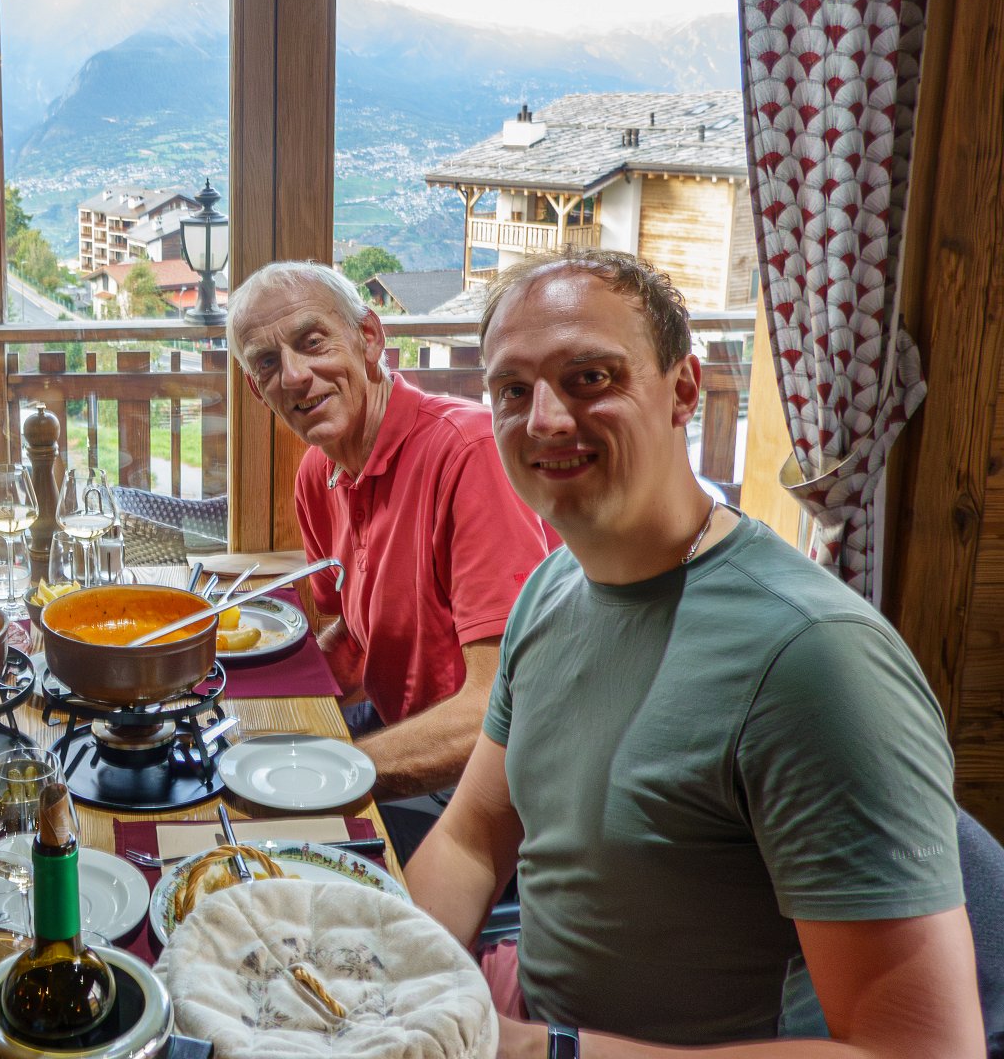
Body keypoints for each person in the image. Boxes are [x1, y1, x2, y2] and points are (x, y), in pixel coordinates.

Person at [404, 249, 983, 1057]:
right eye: (513, 390)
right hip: (537, 1021)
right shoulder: (551, 589)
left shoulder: (815, 661)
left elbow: (917, 1050)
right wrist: (386, 977)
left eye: (590, 378)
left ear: (683, 390)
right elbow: (473, 838)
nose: (545, 421)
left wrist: (538, 1049)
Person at [226, 261, 555, 799]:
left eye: (312, 342)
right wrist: (251, 715)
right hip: (396, 725)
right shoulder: (317, 471)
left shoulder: (468, 453)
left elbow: (500, 709)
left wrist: (309, 772)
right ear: (257, 390)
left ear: (370, 337)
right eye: (267, 362)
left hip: (489, 780)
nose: (294, 376)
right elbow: (357, 641)